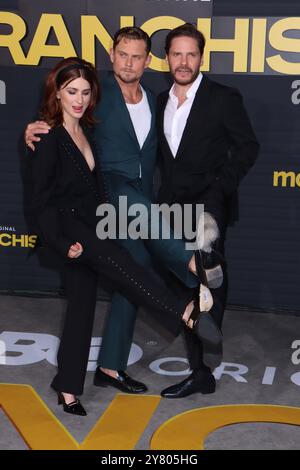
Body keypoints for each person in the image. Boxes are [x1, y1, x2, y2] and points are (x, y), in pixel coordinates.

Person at [25, 27, 222, 397]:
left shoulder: (156, 98)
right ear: (112, 55)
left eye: (137, 56)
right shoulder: (96, 93)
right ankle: (192, 262)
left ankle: (110, 367)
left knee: (133, 277)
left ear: (149, 61)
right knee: (136, 247)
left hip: (142, 202)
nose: (129, 63)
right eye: (123, 55)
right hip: (109, 196)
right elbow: (64, 115)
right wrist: (34, 129)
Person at [155, 23, 260, 398]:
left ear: (202, 57)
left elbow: (248, 147)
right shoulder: (158, 100)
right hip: (169, 211)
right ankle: (200, 360)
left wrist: (219, 188)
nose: (184, 62)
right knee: (184, 285)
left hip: (207, 213)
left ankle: (203, 371)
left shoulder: (223, 98)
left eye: (191, 54)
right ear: (166, 58)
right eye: (177, 54)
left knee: (208, 284)